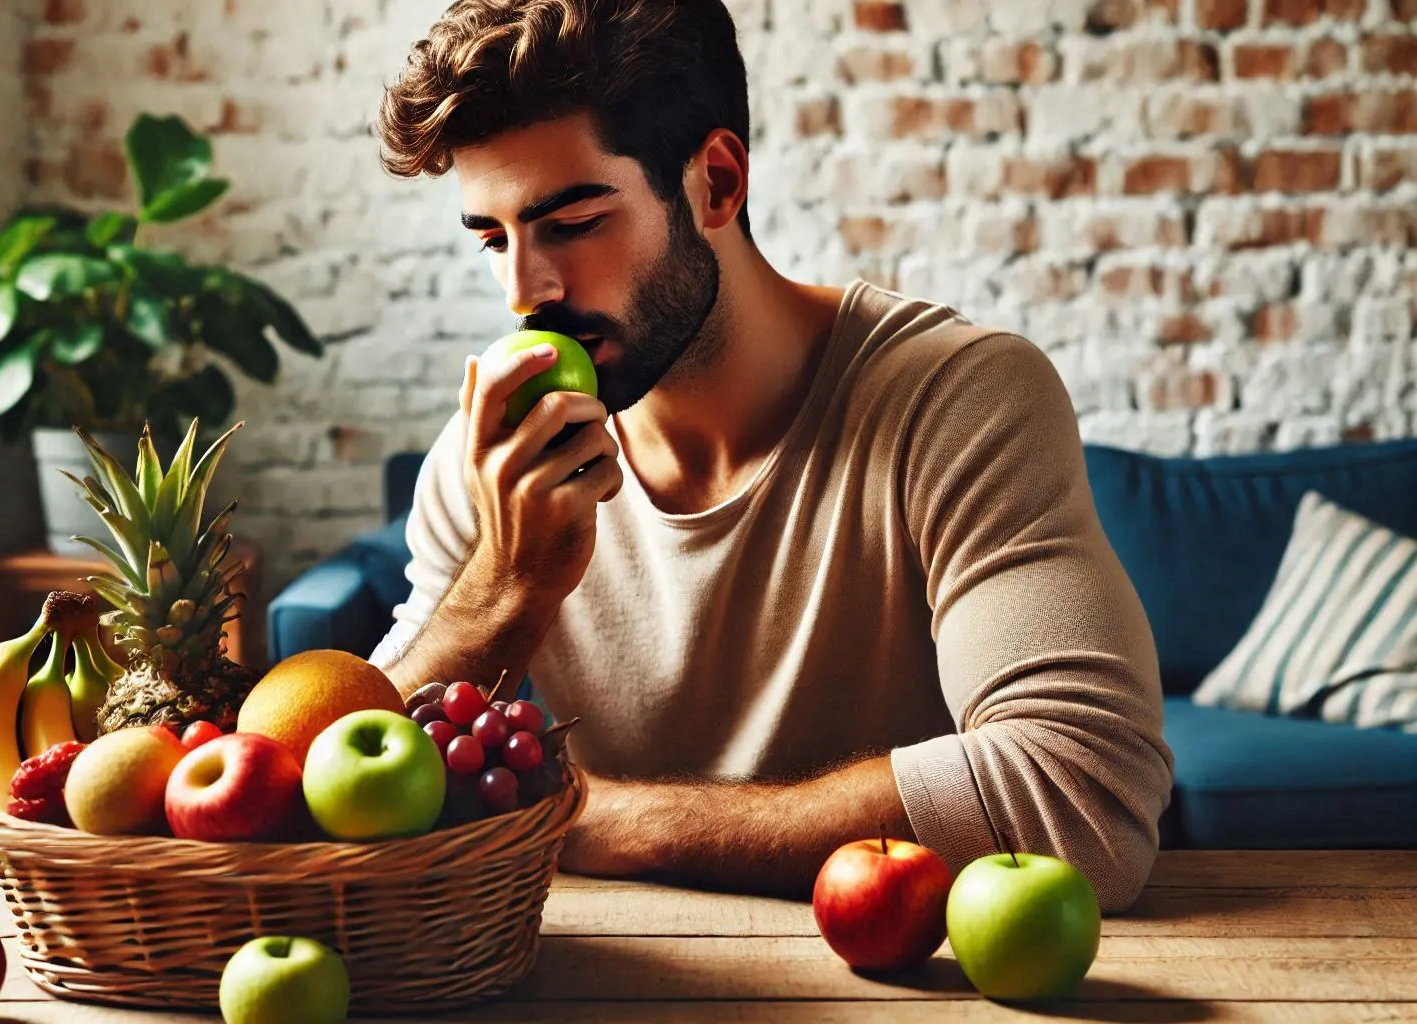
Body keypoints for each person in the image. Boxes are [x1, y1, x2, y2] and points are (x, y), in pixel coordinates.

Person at [366, 0, 1173, 911]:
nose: (526, 291)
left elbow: (1083, 804)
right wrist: (509, 584)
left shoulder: (958, 399)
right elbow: (342, 795)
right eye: (492, 238)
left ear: (716, 182)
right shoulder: (498, 457)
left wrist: (582, 816)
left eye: (575, 222)